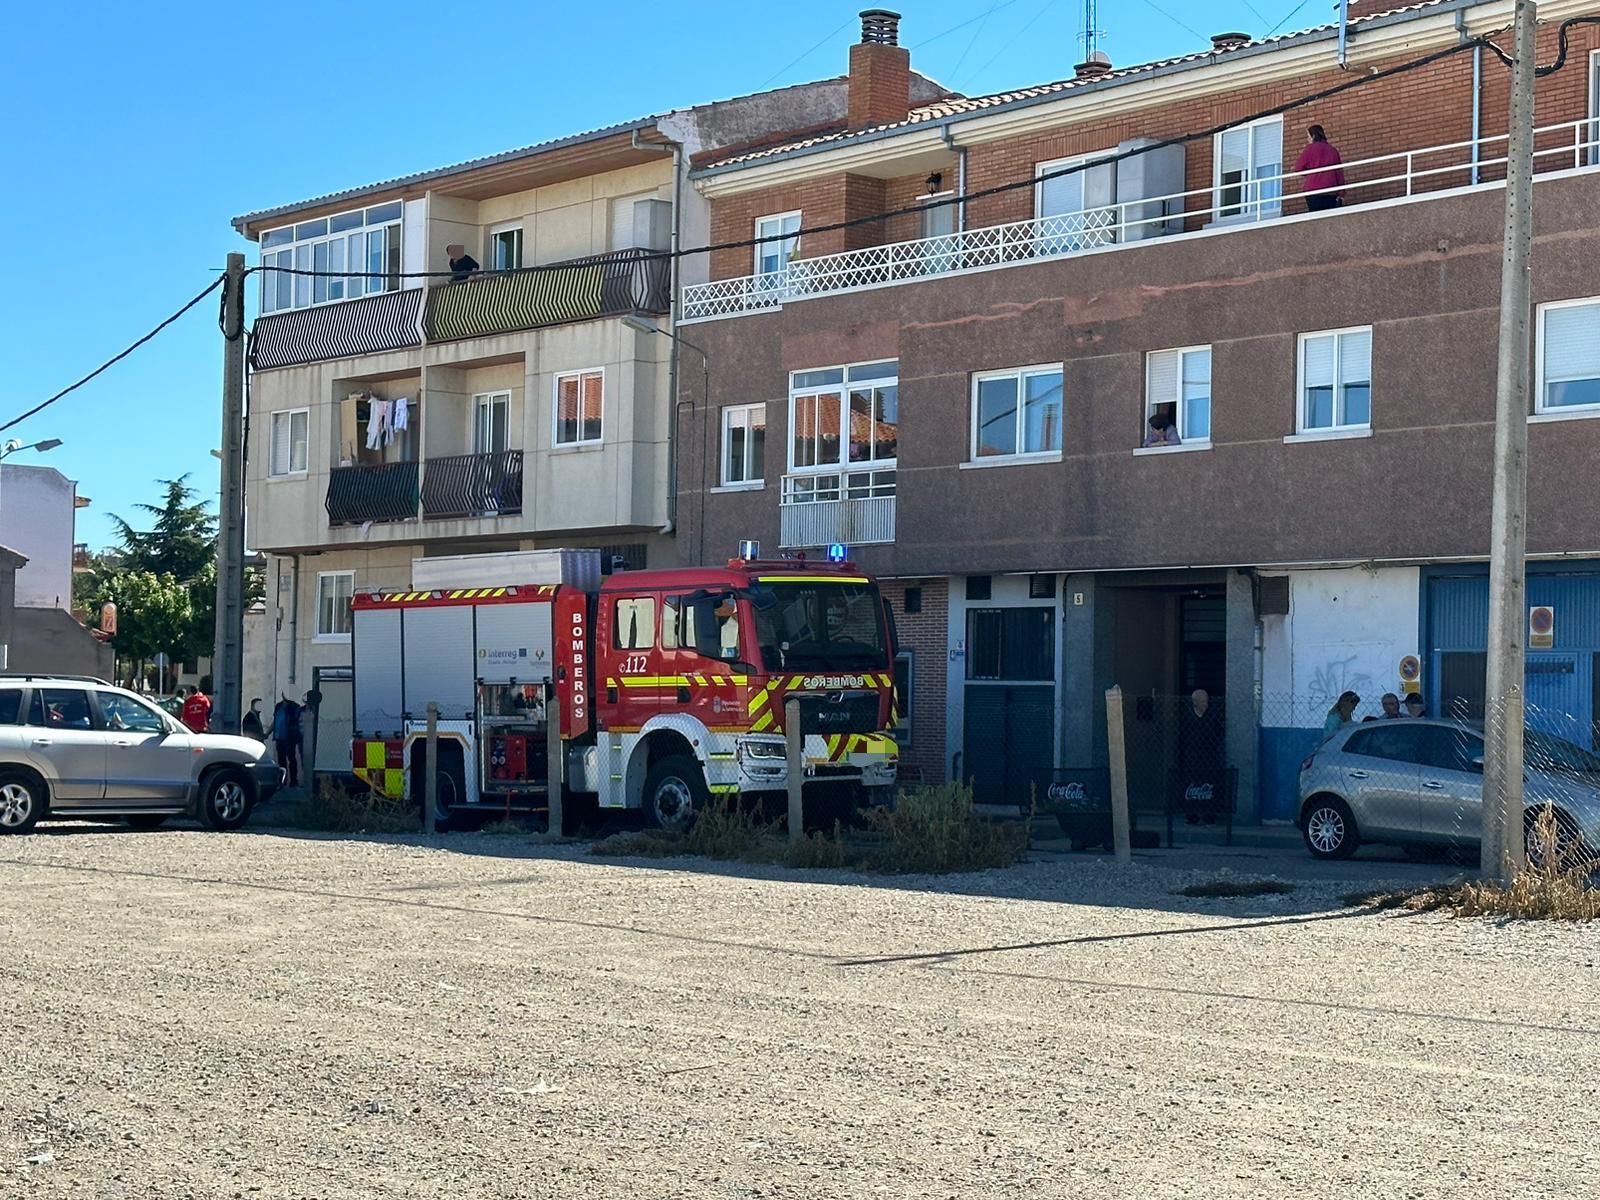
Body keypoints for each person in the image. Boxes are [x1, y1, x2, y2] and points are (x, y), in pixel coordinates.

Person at [1178, 688, 1226, 825]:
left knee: (1209, 784)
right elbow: (1182, 736)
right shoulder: (1187, 716)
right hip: (1192, 756)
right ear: (1195, 702)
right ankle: (1191, 816)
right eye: (1201, 701)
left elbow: (1218, 734)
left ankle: (1209, 816)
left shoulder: (1213, 716)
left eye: (1206, 700)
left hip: (1209, 755)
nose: (1205, 703)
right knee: (1191, 785)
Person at [1293, 124, 1345, 213]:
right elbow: (1339, 172)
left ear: (1313, 136)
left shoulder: (1310, 149)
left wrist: (1311, 174)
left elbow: (1298, 168)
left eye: (1308, 136)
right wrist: (1341, 192)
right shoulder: (1333, 150)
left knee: (1315, 217)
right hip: (1330, 190)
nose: (1307, 139)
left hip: (1313, 190)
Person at [273, 694, 303, 788]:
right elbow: (275, 721)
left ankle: (293, 781)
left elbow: (297, 721)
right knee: (281, 761)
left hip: (289, 738)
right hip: (279, 737)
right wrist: (269, 733)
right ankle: (282, 781)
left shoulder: (295, 707)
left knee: (291, 759)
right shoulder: (278, 706)